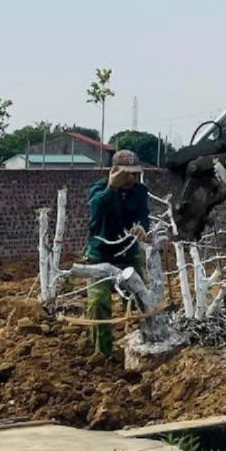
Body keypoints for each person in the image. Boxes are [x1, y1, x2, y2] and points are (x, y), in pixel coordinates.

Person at [85, 149, 152, 357]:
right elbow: (95, 213)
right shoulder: (98, 190)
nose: (130, 177)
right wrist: (111, 189)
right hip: (100, 257)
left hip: (128, 259)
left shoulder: (140, 192)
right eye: (125, 173)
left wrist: (142, 227)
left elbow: (143, 216)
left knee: (141, 301)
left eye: (134, 173)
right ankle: (102, 351)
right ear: (114, 171)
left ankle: (141, 347)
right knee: (98, 302)